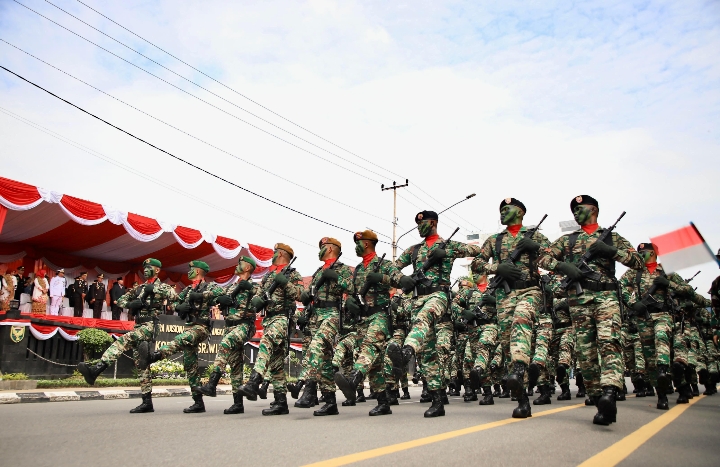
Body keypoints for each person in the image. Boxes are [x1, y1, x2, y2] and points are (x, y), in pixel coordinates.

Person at [538, 195, 643, 426]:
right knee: (586, 354)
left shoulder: (612, 237)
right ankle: (598, 398)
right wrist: (563, 266)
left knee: (609, 344)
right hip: (578, 301)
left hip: (605, 298)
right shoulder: (567, 240)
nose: (576, 211)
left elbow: (638, 262)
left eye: (580, 207)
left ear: (594, 209)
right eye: (573, 209)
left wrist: (610, 251)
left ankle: (609, 391)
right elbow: (543, 258)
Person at [388, 210, 481, 418]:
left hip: (439, 295)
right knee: (428, 354)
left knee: (425, 318)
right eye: (417, 224)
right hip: (416, 299)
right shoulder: (413, 250)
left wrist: (446, 253)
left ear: (434, 223)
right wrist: (402, 279)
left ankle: (406, 352)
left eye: (423, 223)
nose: (419, 227)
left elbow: (476, 250)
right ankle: (438, 400)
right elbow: (391, 268)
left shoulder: (447, 245)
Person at [469, 198, 551, 418]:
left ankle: (519, 369)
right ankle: (523, 399)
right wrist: (498, 268)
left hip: (529, 290)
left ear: (521, 212)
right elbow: (476, 264)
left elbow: (553, 258)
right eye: (501, 210)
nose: (503, 213)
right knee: (507, 343)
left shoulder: (534, 236)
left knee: (520, 324)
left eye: (507, 209)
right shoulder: (495, 241)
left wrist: (537, 248)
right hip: (504, 295)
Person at [78, 258, 178, 413]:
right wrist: (131, 304)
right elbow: (120, 300)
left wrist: (157, 291)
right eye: (144, 267)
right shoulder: (139, 288)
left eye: (149, 267)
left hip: (150, 325)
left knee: (123, 340)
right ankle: (147, 402)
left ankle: (96, 370)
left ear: (157, 270)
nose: (145, 270)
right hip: (138, 323)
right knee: (142, 364)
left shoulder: (163, 287)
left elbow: (175, 298)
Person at [335, 230, 408, 416]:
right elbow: (352, 291)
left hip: (380, 316)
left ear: (367, 244)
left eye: (358, 243)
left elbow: (402, 281)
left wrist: (382, 278)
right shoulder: (358, 269)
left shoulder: (384, 265)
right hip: (363, 319)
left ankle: (353, 380)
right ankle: (383, 402)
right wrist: (348, 302)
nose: (356, 246)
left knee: (368, 347)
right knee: (374, 363)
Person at [138, 260, 224, 413]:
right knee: (191, 367)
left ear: (198, 271)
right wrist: (179, 307)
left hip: (201, 327)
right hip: (189, 325)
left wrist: (201, 295)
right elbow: (174, 303)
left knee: (181, 339)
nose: (189, 271)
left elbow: (221, 294)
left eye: (191, 269)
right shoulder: (188, 289)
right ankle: (198, 403)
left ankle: (155, 356)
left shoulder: (209, 286)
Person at [238, 243, 304, 416]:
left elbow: (301, 295)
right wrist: (258, 301)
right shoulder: (268, 276)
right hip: (269, 318)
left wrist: (286, 284)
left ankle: (254, 381)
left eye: (275, 252)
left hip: (283, 318)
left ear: (281, 254)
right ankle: (281, 402)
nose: (273, 255)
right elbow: (259, 294)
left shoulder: (292, 274)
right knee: (275, 363)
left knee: (266, 344)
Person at [293, 237, 353, 416]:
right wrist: (303, 297)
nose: (320, 250)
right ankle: (330, 402)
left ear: (331, 249)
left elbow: (352, 288)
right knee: (325, 361)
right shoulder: (319, 271)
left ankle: (308, 388)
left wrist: (335, 277)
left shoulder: (342, 269)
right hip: (315, 317)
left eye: (323, 247)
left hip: (332, 314)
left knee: (317, 345)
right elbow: (306, 295)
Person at [195, 257, 261, 414]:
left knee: (225, 343)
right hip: (230, 326)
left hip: (245, 325)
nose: (237, 266)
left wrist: (251, 289)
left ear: (247, 268)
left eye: (240, 264)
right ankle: (238, 404)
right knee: (235, 364)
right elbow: (218, 296)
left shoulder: (254, 286)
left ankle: (212, 383)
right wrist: (220, 299)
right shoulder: (232, 287)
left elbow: (262, 300)